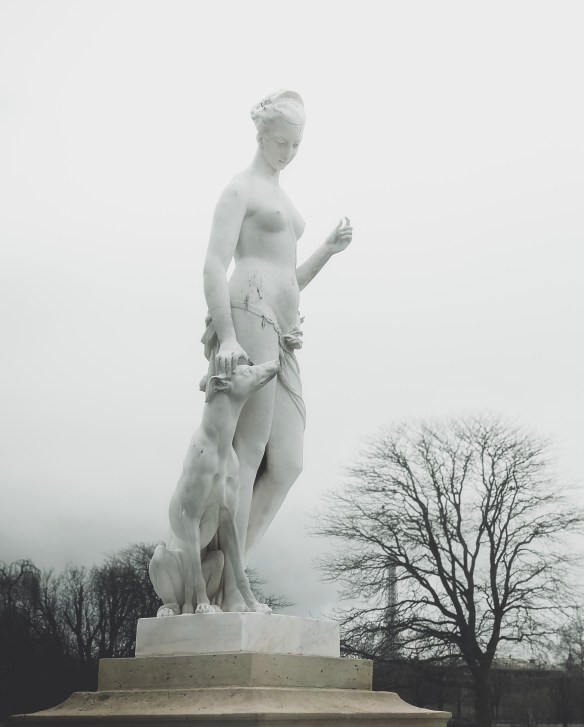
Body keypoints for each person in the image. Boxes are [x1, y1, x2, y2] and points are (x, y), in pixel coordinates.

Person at [201, 89, 352, 611]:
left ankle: (224, 571)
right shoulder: (239, 190)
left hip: (283, 328)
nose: (288, 152)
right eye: (281, 141)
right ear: (261, 135)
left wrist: (327, 252)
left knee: (286, 462)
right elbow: (213, 265)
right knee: (247, 454)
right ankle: (233, 592)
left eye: (296, 144)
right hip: (247, 313)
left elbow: (290, 278)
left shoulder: (286, 201)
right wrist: (226, 336)